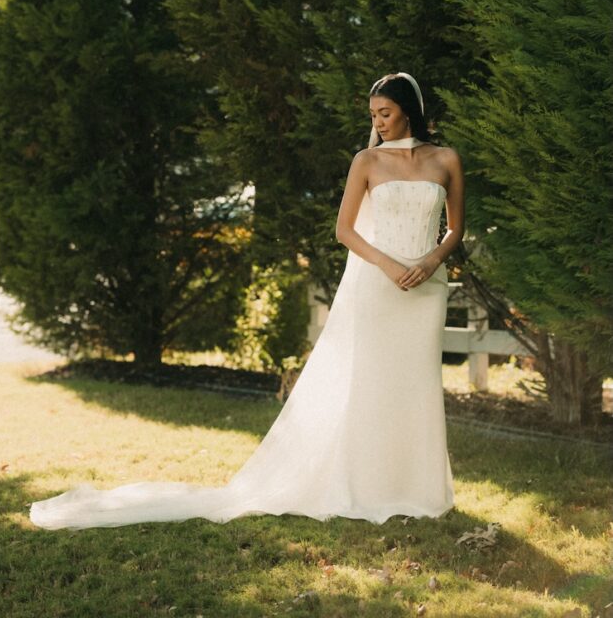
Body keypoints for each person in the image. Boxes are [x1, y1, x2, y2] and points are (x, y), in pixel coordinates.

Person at [29, 71, 464, 530]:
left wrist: (433, 260)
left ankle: (418, 489)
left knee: (415, 384)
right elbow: (345, 231)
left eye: (386, 113)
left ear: (409, 111)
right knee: (372, 383)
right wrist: (390, 265)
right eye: (374, 115)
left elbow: (455, 227)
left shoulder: (446, 159)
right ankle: (368, 486)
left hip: (426, 289)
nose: (379, 123)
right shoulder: (367, 160)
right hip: (379, 284)